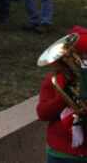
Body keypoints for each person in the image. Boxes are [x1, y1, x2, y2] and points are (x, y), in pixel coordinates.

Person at [36, 25, 87, 162]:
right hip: (61, 152)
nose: (83, 62)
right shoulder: (54, 80)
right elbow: (42, 113)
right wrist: (62, 98)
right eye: (81, 56)